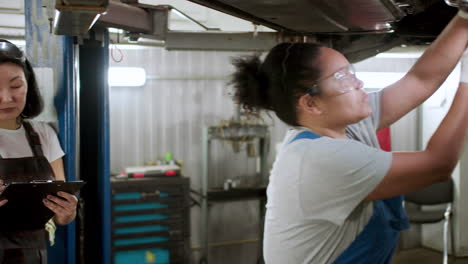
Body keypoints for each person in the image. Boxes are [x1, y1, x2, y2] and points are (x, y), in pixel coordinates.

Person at [229, 6, 468, 264]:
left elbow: (421, 79)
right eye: (342, 77)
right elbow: (438, 164)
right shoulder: (318, 157)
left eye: (351, 72)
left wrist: (464, 16)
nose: (358, 83)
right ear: (311, 104)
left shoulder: (345, 126)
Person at [0, 39, 78, 263]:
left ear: (29, 85)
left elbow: (61, 211)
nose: (7, 98)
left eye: (16, 86)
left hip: (34, 255)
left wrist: (67, 211)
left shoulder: (43, 134)